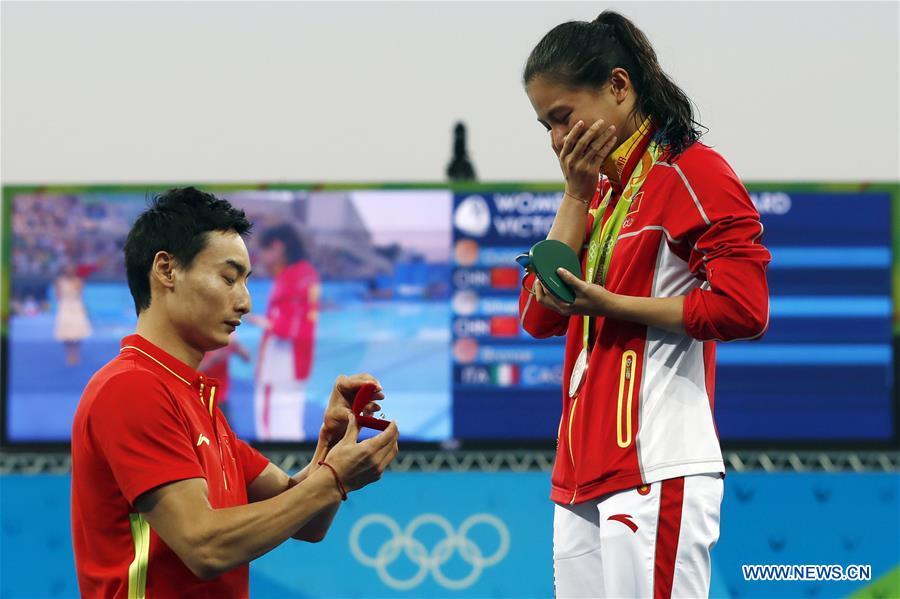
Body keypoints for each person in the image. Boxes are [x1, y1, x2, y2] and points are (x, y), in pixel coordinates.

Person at [518, 11, 770, 599]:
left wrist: (615, 305)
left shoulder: (692, 172)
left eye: (563, 117)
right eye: (545, 127)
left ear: (618, 86)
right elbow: (539, 315)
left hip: (656, 466)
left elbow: (744, 308)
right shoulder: (596, 193)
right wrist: (576, 194)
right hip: (577, 479)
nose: (557, 138)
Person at [71, 187, 399, 598]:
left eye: (246, 281)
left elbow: (307, 519)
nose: (244, 301)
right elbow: (204, 546)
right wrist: (333, 479)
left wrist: (331, 446)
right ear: (166, 270)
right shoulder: (131, 388)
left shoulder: (196, 399)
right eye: (229, 278)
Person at [247, 223, 321, 441]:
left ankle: (273, 471)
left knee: (271, 426)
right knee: (288, 422)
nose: (260, 256)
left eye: (264, 250)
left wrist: (265, 323)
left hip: (281, 363)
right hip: (294, 361)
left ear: (278, 247)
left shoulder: (293, 276)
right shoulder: (303, 274)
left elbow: (294, 323)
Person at [53, 260, 94, 366]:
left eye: (71, 269)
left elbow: (80, 294)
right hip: (65, 307)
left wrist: (75, 286)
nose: (70, 271)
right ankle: (69, 353)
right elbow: (58, 296)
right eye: (68, 269)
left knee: (78, 331)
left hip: (76, 306)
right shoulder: (59, 281)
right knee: (65, 332)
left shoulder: (79, 281)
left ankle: (76, 352)